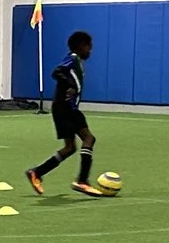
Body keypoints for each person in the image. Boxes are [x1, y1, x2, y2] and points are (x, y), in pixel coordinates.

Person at [26, 31, 109, 197]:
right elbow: (56, 72)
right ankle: (82, 181)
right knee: (89, 139)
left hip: (64, 108)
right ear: (81, 47)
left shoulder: (76, 61)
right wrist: (70, 83)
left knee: (70, 147)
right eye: (88, 47)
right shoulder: (72, 58)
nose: (90, 51)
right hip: (66, 108)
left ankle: (37, 172)